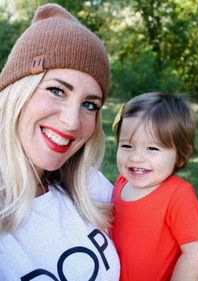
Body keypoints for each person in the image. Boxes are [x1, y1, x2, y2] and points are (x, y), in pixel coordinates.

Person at [0, 3, 120, 280]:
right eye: (56, 90)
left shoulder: (90, 187)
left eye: (90, 105)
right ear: (16, 91)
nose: (72, 122)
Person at [111, 92, 198, 281]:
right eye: (127, 146)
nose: (136, 157)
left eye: (152, 148)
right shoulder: (121, 183)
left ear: (181, 155)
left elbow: (195, 252)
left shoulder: (178, 194)